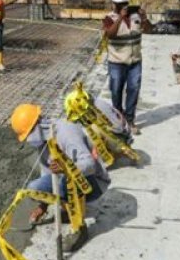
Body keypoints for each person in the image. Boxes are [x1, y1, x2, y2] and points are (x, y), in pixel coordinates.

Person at [10, 103, 109, 251]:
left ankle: (79, 229)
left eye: (29, 134)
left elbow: (89, 165)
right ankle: (69, 209)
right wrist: (43, 205)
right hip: (69, 179)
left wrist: (66, 168)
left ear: (39, 124)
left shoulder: (66, 132)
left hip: (94, 182)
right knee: (34, 188)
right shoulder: (43, 141)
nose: (28, 140)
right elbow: (47, 174)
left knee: (68, 180)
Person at [102, 0, 151, 133]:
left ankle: (130, 119)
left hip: (135, 61)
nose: (123, 7)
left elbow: (149, 29)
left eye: (125, 4)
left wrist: (144, 18)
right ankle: (118, 118)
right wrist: (121, 18)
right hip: (117, 62)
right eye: (120, 4)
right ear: (114, 4)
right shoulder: (109, 18)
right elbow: (110, 34)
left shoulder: (136, 17)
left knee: (134, 90)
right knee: (116, 90)